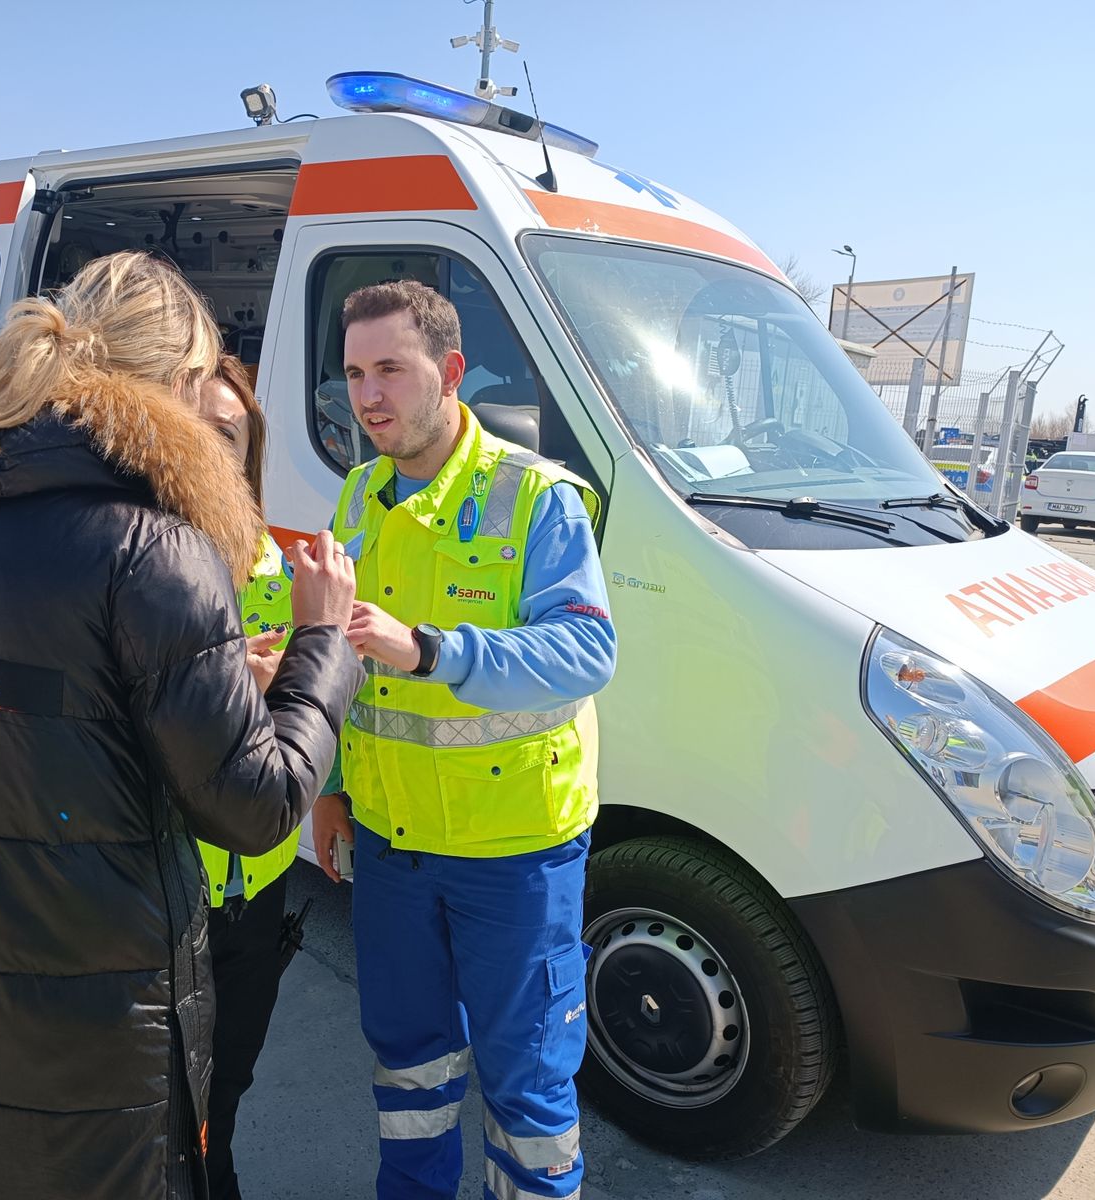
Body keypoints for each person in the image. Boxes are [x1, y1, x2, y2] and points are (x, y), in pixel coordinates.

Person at [0, 251, 363, 1200]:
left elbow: (38, 726)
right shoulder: (158, 551)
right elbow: (256, 807)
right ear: (182, 387)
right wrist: (322, 652)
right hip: (100, 1016)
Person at [310, 281, 616, 1200]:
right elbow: (338, 656)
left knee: (526, 1085)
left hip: (513, 852)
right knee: (410, 1071)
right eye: (356, 373)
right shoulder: (359, 495)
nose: (369, 397)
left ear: (448, 374)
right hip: (394, 849)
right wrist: (327, 784)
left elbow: (586, 648)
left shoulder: (537, 498)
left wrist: (431, 650)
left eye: (391, 370)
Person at [191, 355, 304, 1200]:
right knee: (163, 1097)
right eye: (193, 424)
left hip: (256, 891)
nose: (209, 443)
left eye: (227, 431)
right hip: (165, 892)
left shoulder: (276, 568)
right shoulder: (140, 559)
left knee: (229, 1084)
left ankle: (217, 1172)